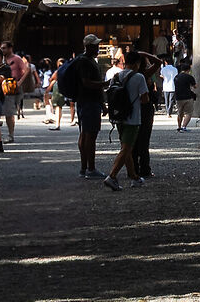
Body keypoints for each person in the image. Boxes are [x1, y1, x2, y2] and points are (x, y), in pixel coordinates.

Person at [104, 48, 153, 190]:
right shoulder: (139, 77)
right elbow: (145, 99)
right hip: (133, 118)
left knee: (127, 148)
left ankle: (134, 176)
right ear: (137, 63)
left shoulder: (116, 76)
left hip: (119, 117)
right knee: (126, 149)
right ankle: (112, 176)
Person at [64, 36, 107, 177]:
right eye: (95, 45)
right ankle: (91, 168)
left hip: (86, 101)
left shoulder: (85, 60)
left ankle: (84, 168)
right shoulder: (85, 62)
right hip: (89, 101)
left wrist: (102, 104)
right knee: (90, 135)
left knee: (84, 134)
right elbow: (87, 83)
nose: (98, 47)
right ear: (88, 46)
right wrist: (105, 84)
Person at [173, 58, 197, 130]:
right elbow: (195, 86)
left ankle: (179, 126)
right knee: (188, 113)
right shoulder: (189, 77)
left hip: (178, 97)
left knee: (180, 113)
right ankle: (184, 126)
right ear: (188, 70)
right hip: (188, 96)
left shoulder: (176, 77)